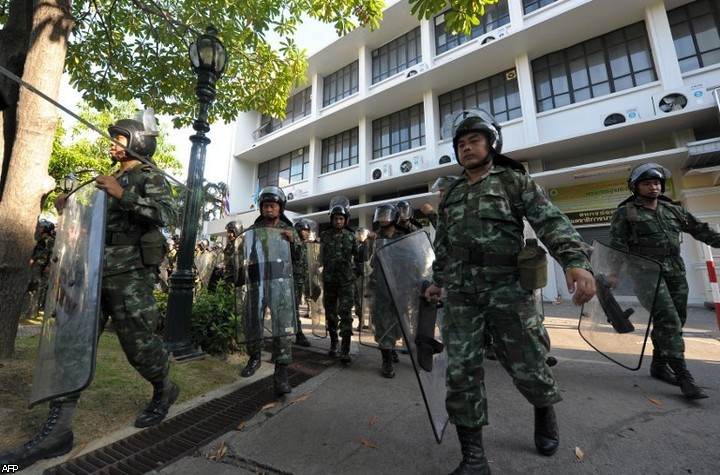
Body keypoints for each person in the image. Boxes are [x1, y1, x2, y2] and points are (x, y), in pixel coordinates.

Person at [0, 116, 180, 470]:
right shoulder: (105, 180)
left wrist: (123, 194)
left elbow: (166, 215)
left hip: (130, 276)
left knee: (139, 347)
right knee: (72, 344)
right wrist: (70, 212)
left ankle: (164, 387)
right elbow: (92, 227)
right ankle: (58, 432)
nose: (112, 143)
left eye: (119, 138)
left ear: (138, 142)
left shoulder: (149, 177)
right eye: (112, 138)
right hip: (92, 273)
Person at [423, 109, 595, 472]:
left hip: (507, 291)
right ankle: (473, 458)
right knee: (461, 372)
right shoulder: (451, 193)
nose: (467, 148)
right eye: (461, 144)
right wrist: (438, 280)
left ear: (491, 143)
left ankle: (544, 411)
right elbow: (444, 244)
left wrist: (573, 260)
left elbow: (550, 220)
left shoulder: (514, 181)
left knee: (529, 364)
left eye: (474, 140)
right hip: (462, 295)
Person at [609, 163, 718, 400]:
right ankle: (683, 376)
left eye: (657, 183)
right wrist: (613, 273)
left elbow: (702, 231)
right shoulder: (626, 213)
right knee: (668, 320)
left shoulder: (673, 211)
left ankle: (659, 366)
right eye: (647, 183)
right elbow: (617, 246)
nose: (653, 187)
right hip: (646, 274)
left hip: (675, 272)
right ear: (635, 187)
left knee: (676, 320)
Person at [239, 186, 301, 397]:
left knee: (282, 328)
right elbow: (243, 252)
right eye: (265, 206)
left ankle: (281, 375)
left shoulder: (289, 229)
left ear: (280, 208)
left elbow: (300, 256)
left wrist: (293, 241)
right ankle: (254, 357)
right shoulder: (253, 230)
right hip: (258, 282)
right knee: (253, 321)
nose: (268, 209)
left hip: (280, 284)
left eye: (272, 206)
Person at [369, 204, 408, 378]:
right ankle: (386, 359)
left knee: (397, 321)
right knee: (382, 321)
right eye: (381, 215)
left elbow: (413, 259)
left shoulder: (405, 234)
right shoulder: (376, 235)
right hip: (381, 283)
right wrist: (369, 244)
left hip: (400, 284)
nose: (383, 218)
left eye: (386, 215)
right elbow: (370, 262)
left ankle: (391, 346)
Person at [318, 198, 360, 363]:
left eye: (341, 218)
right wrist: (316, 261)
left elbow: (359, 257)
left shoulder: (351, 236)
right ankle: (334, 343)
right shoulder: (324, 235)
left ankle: (345, 349)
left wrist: (355, 272)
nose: (338, 221)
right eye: (335, 218)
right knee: (330, 314)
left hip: (346, 282)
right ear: (331, 219)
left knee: (345, 315)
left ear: (346, 219)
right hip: (329, 281)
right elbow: (320, 256)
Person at [292, 219, 312, 347]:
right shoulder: (293, 244)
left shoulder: (306, 245)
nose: (307, 232)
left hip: (303, 280)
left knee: (296, 307)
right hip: (293, 281)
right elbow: (297, 256)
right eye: (304, 230)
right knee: (294, 308)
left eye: (308, 230)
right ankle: (298, 334)